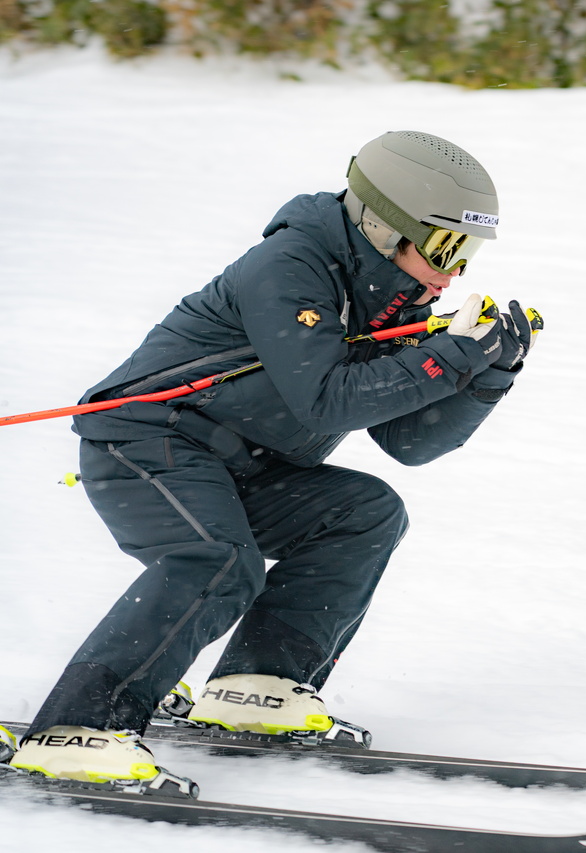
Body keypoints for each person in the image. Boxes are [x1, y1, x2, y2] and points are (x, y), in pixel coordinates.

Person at [7, 130, 538, 789]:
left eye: (468, 250)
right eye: (443, 246)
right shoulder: (291, 265)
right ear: (381, 227)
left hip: (241, 464)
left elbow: (412, 442)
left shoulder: (390, 300)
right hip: (146, 442)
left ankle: (258, 684)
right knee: (220, 561)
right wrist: (447, 359)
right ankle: (77, 727)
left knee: (365, 512)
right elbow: (326, 402)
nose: (453, 272)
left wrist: (488, 373)